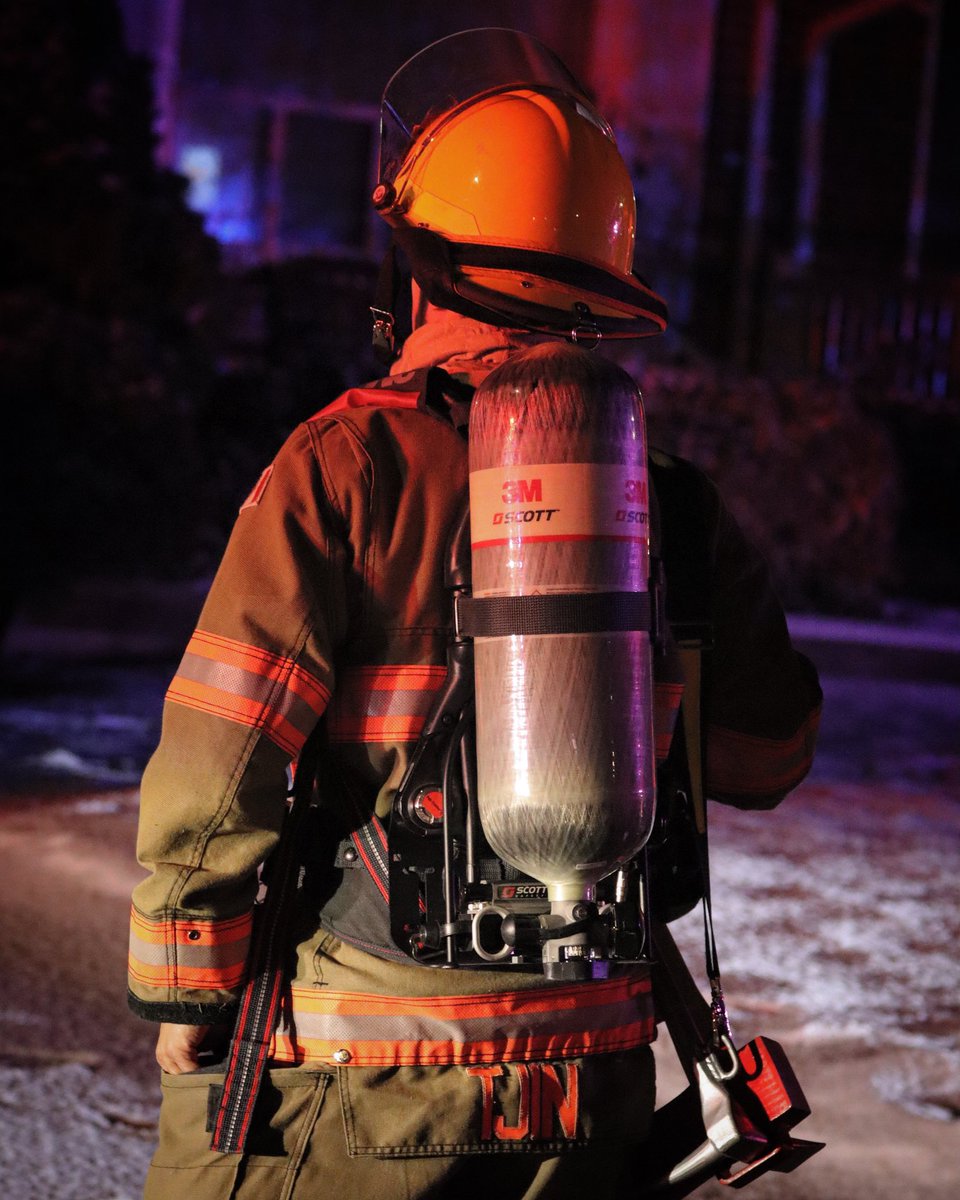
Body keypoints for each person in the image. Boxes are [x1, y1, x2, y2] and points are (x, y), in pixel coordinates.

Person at [128, 27, 821, 1200]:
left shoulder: (344, 466)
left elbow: (220, 755)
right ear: (600, 290)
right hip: (595, 1090)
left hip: (370, 1084)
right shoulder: (673, 504)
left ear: (420, 267)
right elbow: (765, 758)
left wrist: (188, 987)